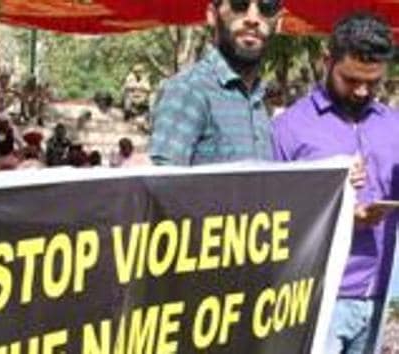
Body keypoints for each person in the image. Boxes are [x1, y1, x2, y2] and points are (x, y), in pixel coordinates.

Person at [271, 13, 399, 354]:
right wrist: (338, 213)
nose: (362, 90)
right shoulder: (290, 128)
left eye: (373, 82)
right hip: (317, 297)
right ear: (326, 61)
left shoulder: (393, 125)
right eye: (351, 79)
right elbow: (272, 216)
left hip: (378, 293)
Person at [150, 0, 282, 166]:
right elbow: (162, 186)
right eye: (239, 4)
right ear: (212, 14)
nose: (252, 18)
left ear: (279, 23)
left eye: (267, 7)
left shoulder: (258, 96)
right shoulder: (188, 90)